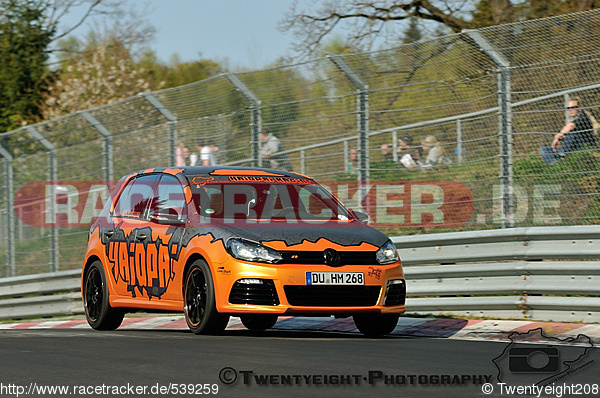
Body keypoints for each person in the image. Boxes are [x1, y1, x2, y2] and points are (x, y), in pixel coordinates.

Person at [540, 97, 597, 163]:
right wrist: (560, 138)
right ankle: (555, 164)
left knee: (573, 132)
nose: (570, 110)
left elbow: (571, 126)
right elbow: (567, 134)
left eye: (573, 107)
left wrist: (557, 136)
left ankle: (562, 154)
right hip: (570, 148)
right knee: (544, 149)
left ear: (579, 107)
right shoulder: (573, 119)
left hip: (584, 146)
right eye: (568, 108)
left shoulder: (583, 116)